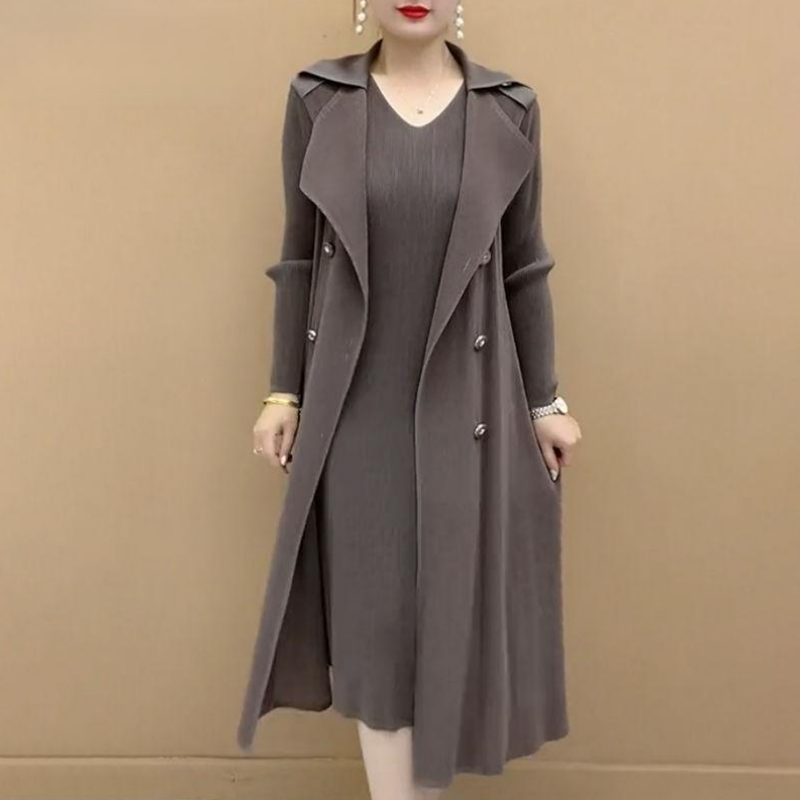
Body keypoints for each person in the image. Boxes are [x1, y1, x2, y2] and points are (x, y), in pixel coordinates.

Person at [247, 3, 582, 797]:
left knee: (446, 629)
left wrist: (544, 404)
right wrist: (283, 390)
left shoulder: (509, 109)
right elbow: (299, 257)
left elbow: (524, 267)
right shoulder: (319, 100)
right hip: (355, 412)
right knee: (378, 636)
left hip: (470, 407)